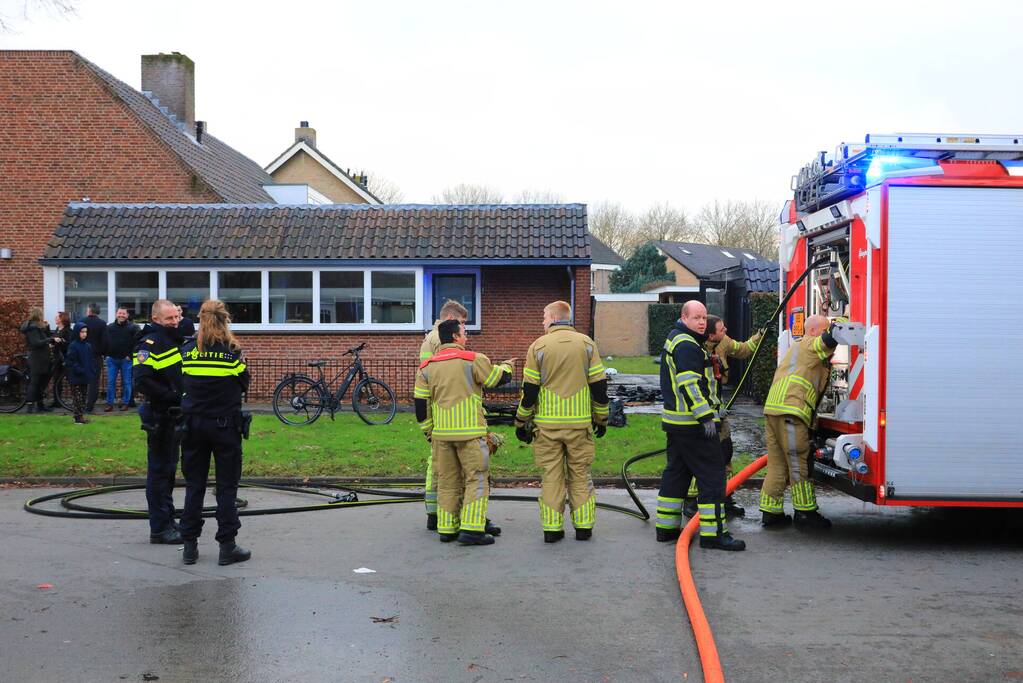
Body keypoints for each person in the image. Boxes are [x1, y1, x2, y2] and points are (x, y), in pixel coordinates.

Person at [514, 301, 609, 543]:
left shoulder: (538, 346)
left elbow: (530, 390)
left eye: (544, 317)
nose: (542, 321)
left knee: (551, 477)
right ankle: (584, 527)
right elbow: (599, 386)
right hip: (579, 426)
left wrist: (521, 421)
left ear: (555, 318)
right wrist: (601, 417)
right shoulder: (587, 344)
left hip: (547, 428)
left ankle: (552, 530)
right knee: (580, 475)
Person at [655, 301, 745, 551]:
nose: (702, 322)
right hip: (694, 425)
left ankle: (666, 528)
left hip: (677, 423)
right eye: (696, 317)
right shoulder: (687, 345)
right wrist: (706, 417)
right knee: (713, 477)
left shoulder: (679, 339)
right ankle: (714, 534)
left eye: (704, 317)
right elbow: (690, 385)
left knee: (677, 474)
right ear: (684, 318)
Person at [414, 319, 512, 545]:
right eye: (465, 333)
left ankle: (447, 530)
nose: (467, 337)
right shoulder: (473, 359)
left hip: (442, 436)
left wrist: (429, 431)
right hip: (470, 435)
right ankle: (472, 530)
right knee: (476, 480)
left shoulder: (427, 366)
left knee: (447, 482)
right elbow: (496, 379)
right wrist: (508, 366)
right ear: (456, 337)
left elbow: (421, 404)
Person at [178, 299, 252, 566]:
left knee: (194, 486)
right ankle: (227, 546)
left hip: (193, 426)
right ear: (225, 320)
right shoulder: (232, 352)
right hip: (224, 426)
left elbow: (183, 381)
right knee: (226, 488)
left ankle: (189, 547)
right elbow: (243, 383)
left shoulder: (187, 350)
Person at [759, 314, 843, 530]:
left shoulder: (797, 348)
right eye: (823, 329)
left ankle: (770, 512)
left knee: (777, 464)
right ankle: (805, 513)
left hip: (774, 410)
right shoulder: (809, 344)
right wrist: (843, 323)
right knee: (798, 463)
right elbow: (828, 339)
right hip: (791, 412)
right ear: (814, 331)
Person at [681, 315, 764, 518]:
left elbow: (743, 349)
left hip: (719, 411)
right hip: (702, 416)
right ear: (710, 336)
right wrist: (705, 415)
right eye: (721, 329)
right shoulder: (696, 350)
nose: (726, 330)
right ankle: (692, 500)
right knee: (705, 458)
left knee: (725, 454)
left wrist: (760, 335)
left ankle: (725, 497)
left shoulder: (723, 342)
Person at [132, 299, 184, 545]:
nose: (174, 322)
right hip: (159, 416)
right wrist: (173, 396)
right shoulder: (148, 344)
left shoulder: (172, 339)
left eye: (176, 317)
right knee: (159, 473)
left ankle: (168, 521)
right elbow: (142, 381)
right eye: (169, 319)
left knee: (169, 471)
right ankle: (160, 528)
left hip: (172, 415)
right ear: (155, 319)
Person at [418, 299, 469, 531]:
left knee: (436, 464)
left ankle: (434, 513)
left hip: (436, 412)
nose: (463, 331)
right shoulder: (441, 339)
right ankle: (450, 514)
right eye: (462, 324)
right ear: (451, 320)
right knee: (447, 468)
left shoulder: (429, 338)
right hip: (447, 413)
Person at [20, 308, 56, 413]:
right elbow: (36, 342)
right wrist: (49, 340)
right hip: (36, 358)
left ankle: (40, 405)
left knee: (40, 382)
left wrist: (47, 328)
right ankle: (30, 407)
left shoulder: (36, 327)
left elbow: (45, 336)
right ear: (38, 315)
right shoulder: (32, 328)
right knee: (35, 382)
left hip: (41, 358)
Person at [104, 308, 139, 412]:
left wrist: (131, 355)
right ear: (116, 314)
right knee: (110, 382)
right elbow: (104, 341)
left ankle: (125, 403)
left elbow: (137, 343)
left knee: (127, 382)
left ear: (127, 315)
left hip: (126, 360)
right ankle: (110, 403)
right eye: (120, 313)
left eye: (124, 313)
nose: (121, 315)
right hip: (112, 360)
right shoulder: (109, 328)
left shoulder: (132, 328)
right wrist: (106, 354)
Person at [64, 323, 96, 424]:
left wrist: (91, 370)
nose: (84, 334)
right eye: (82, 332)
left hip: (85, 376)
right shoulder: (73, 345)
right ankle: (78, 417)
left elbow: (90, 360)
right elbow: (71, 361)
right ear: (77, 332)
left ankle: (80, 416)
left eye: (86, 332)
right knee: (77, 397)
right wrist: (80, 370)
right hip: (76, 376)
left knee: (83, 397)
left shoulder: (88, 346)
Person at [78, 303, 107, 413]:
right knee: (94, 382)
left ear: (89, 310)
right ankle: (90, 405)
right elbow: (105, 341)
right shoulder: (102, 324)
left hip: (83, 355)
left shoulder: (82, 322)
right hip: (96, 356)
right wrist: (103, 353)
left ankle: (80, 403)